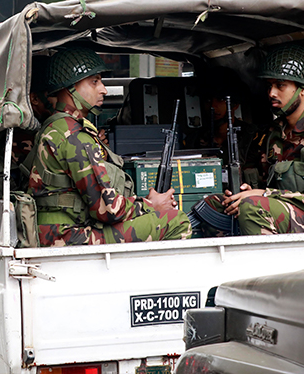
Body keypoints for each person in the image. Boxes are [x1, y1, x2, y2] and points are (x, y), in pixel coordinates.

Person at [28, 47, 192, 246]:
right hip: (69, 236)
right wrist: (152, 204)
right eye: (94, 81)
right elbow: (108, 209)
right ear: (70, 87)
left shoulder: (54, 126)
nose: (103, 89)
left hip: (56, 232)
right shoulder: (74, 137)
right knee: (176, 220)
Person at [209, 45, 304, 235]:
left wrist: (262, 195)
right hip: (287, 213)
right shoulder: (274, 133)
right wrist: (249, 191)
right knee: (216, 204)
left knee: (252, 208)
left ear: (303, 88)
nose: (272, 93)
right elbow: (268, 186)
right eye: (269, 86)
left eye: (280, 85)